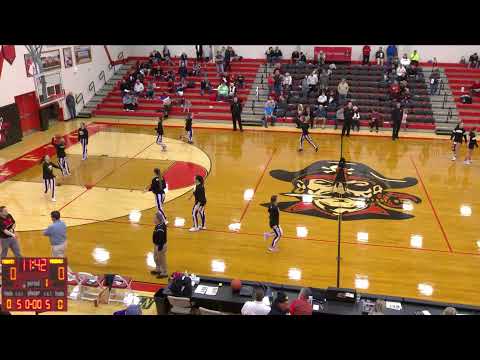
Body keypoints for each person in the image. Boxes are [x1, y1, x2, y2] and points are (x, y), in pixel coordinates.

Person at [151, 212, 168, 278]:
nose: (153, 219)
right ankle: (158, 269)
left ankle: (164, 272)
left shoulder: (161, 227)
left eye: (155, 218)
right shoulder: (158, 225)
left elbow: (161, 238)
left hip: (161, 245)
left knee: (162, 259)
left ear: (158, 219)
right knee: (156, 258)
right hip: (156, 244)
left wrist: (159, 247)